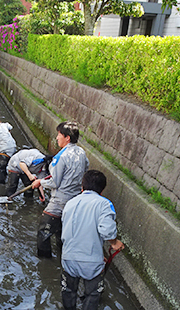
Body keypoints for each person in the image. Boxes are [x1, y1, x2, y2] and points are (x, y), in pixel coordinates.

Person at [60, 170, 125, 310]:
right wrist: (114, 243)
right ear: (102, 190)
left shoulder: (70, 203)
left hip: (68, 257)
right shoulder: (104, 204)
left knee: (69, 291)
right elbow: (106, 230)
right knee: (92, 294)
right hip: (91, 261)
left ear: (82, 187)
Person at [32, 121, 89, 258]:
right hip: (75, 200)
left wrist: (40, 182)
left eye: (59, 135)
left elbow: (54, 182)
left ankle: (45, 262)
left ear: (67, 137)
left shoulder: (61, 157)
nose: (57, 138)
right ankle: (64, 257)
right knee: (63, 231)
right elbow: (85, 170)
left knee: (43, 232)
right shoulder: (81, 153)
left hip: (60, 201)